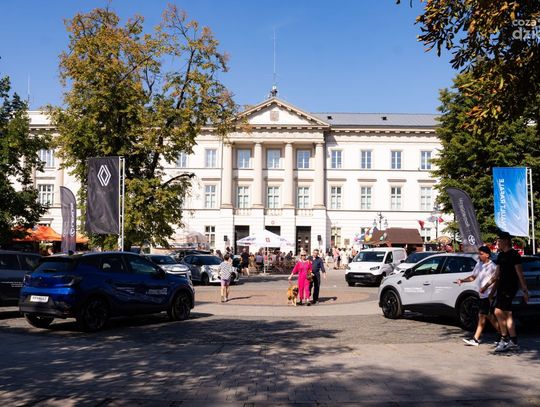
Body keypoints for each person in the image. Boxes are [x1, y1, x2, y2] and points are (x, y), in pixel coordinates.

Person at [481, 231, 529, 352]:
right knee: (507, 314)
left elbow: (520, 274)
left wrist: (525, 290)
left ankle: (505, 339)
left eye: (499, 241)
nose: (498, 243)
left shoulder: (514, 255)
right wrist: (486, 287)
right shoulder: (500, 255)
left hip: (510, 287)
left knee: (497, 311)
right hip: (501, 287)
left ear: (506, 241)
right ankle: (513, 340)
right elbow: (496, 275)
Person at [457, 245, 500, 346]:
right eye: (479, 254)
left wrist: (488, 291)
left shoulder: (492, 266)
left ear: (487, 255)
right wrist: (462, 280)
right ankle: (503, 335)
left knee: (481, 315)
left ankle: (476, 339)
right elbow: (473, 277)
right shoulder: (479, 264)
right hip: (482, 295)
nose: (479, 256)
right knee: (489, 316)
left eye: (481, 254)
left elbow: (495, 280)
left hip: (488, 295)